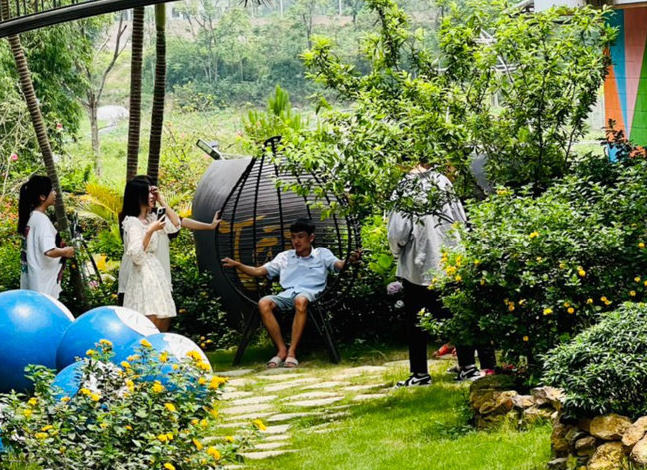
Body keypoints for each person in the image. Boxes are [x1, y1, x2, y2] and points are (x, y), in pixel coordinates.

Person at [388, 161, 494, 386]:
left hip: (418, 263)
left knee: (417, 321)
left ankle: (420, 373)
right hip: (450, 259)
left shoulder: (405, 187)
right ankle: (468, 367)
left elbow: (397, 232)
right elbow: (460, 218)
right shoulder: (442, 182)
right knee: (457, 313)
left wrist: (396, 253)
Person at [222, 218, 358, 368]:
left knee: (301, 300)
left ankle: (292, 353)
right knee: (264, 303)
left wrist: (349, 261)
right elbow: (259, 271)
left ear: (311, 237)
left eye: (300, 236)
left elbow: (339, 264)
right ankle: (281, 350)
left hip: (311, 293)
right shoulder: (284, 257)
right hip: (287, 294)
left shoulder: (322, 254)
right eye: (293, 237)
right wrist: (238, 265)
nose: (296, 241)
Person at [119, 176, 220, 330]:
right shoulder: (132, 222)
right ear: (138, 196)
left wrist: (162, 201)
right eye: (148, 192)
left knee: (163, 315)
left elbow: (177, 223)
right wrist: (150, 231)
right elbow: (137, 255)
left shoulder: (154, 217)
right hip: (141, 274)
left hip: (157, 272)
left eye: (153, 191)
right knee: (146, 320)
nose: (152, 195)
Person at [17, 175, 74, 301]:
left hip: (31, 284)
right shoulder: (42, 221)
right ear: (42, 197)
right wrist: (66, 251)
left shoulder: (31, 218)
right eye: (52, 190)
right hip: (42, 288)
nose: (55, 193)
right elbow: (49, 251)